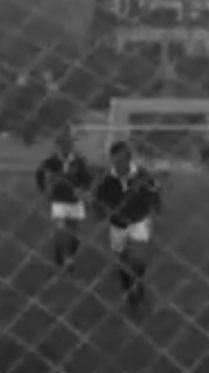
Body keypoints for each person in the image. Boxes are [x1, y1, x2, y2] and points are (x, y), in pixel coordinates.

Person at [92, 141, 164, 314]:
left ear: (129, 159)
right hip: (117, 223)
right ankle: (131, 296)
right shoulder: (107, 178)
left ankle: (139, 286)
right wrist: (100, 211)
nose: (119, 163)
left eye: (123, 159)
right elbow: (98, 198)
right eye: (115, 159)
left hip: (139, 220)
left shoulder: (141, 174)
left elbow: (155, 192)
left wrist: (156, 204)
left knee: (138, 259)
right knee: (123, 262)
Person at [35, 134, 93, 274]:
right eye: (64, 144)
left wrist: (83, 188)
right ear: (59, 146)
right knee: (61, 230)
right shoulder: (52, 161)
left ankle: (69, 257)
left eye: (70, 144)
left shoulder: (79, 161)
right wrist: (44, 189)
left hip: (74, 200)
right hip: (59, 199)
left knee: (73, 232)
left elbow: (87, 178)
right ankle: (62, 255)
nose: (68, 147)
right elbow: (39, 172)